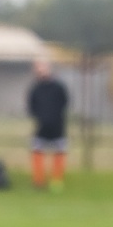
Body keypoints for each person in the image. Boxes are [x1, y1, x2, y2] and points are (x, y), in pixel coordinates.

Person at [26, 58, 69, 192]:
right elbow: (31, 106)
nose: (41, 71)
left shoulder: (58, 87)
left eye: (43, 67)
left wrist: (55, 116)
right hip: (41, 125)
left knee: (60, 150)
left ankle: (57, 181)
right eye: (38, 68)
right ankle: (39, 181)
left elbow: (64, 102)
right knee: (37, 150)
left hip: (58, 125)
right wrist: (39, 117)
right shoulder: (35, 88)